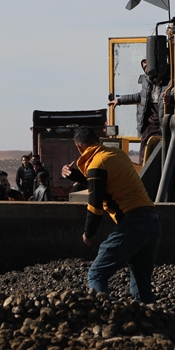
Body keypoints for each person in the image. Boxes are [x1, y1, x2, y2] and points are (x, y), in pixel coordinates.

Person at [61, 126, 160, 303]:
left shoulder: (96, 164)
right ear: (98, 141)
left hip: (132, 223)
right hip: (152, 221)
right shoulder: (116, 155)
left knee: (96, 274)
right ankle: (153, 323)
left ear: (79, 147)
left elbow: (95, 204)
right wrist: (75, 175)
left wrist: (88, 232)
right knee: (141, 284)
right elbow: (104, 182)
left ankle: (105, 317)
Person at [109, 58, 170, 161]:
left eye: (147, 66)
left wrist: (170, 99)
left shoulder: (169, 80)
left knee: (163, 155)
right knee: (144, 154)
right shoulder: (147, 82)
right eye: (144, 67)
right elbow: (139, 96)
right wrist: (119, 101)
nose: (146, 69)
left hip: (163, 124)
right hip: (149, 124)